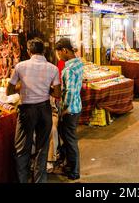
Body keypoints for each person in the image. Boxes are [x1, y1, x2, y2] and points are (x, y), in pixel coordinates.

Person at [7, 38, 61, 183]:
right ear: (44, 51)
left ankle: (22, 180)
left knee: (21, 149)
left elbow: (9, 90)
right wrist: (44, 88)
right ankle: (39, 180)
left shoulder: (20, 66)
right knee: (42, 148)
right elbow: (57, 94)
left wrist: (23, 86)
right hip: (44, 110)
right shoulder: (53, 68)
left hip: (27, 110)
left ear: (29, 51)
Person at [55, 38, 84, 180]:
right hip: (77, 107)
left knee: (70, 139)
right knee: (67, 137)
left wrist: (65, 109)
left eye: (59, 53)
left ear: (64, 51)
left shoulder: (69, 69)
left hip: (71, 109)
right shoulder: (78, 62)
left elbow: (71, 91)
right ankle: (68, 165)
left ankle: (74, 171)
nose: (59, 57)